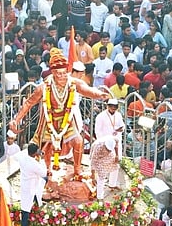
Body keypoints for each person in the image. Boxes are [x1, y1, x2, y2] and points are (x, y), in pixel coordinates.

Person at [9, 48, 110, 178]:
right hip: (49, 120)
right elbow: (29, 102)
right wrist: (16, 120)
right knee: (47, 146)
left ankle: (77, 169)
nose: (62, 76)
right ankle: (47, 169)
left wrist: (99, 94)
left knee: (78, 141)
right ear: (53, 72)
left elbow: (86, 89)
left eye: (64, 73)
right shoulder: (44, 86)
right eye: (58, 73)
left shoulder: (72, 82)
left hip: (67, 119)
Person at [16, 142, 48, 226]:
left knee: (26, 204)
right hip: (32, 186)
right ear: (34, 153)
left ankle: (37, 202)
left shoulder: (22, 157)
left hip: (24, 183)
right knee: (26, 209)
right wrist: (42, 159)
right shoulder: (34, 164)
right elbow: (44, 173)